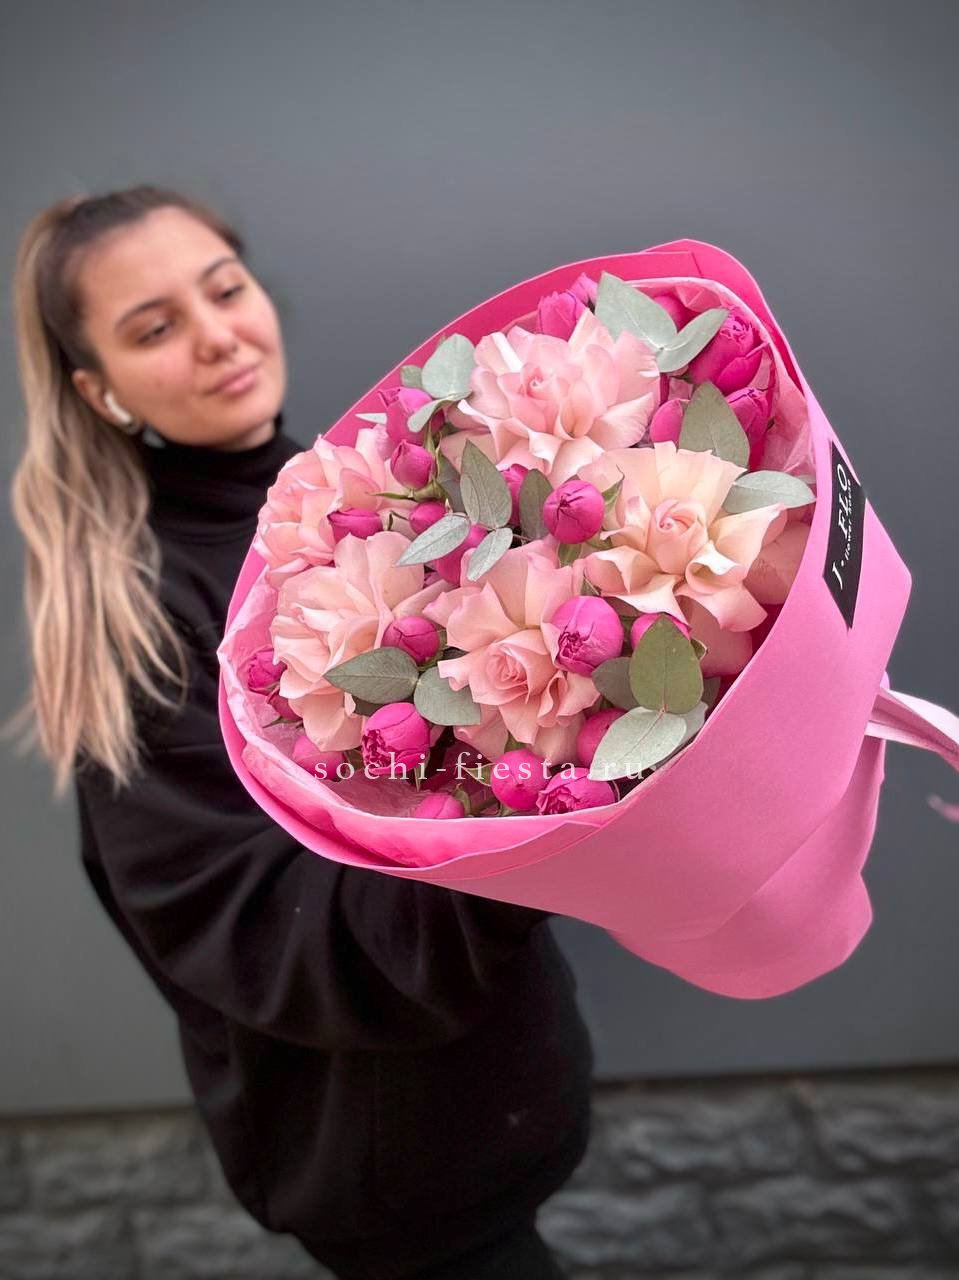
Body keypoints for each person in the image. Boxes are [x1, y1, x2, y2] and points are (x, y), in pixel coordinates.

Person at [5, 185, 595, 1280]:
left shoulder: (348, 503)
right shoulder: (145, 620)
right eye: (154, 328)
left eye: (224, 289)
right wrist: (510, 818)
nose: (216, 335)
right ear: (99, 390)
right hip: (393, 1168)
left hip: (499, 1106)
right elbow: (269, 931)